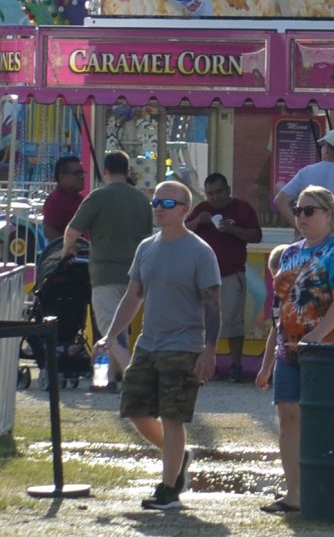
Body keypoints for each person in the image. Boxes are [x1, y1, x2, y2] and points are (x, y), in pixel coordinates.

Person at [97, 178, 220, 510]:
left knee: (172, 416)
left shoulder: (200, 251)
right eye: (155, 203)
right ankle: (178, 458)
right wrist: (110, 334)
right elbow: (132, 296)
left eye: (167, 204)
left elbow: (212, 303)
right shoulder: (146, 247)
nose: (159, 209)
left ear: (184, 209)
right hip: (147, 343)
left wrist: (209, 350)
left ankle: (168, 489)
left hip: (184, 345)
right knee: (135, 409)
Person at [254, 184, 334, 516]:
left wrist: (317, 335)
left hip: (330, 348)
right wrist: (267, 362)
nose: (302, 217)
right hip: (289, 349)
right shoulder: (289, 253)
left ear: (329, 214)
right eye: (298, 210)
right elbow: (282, 309)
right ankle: (295, 493)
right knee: (288, 418)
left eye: (309, 211)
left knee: (328, 420)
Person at [63, 150, 153, 349]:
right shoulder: (142, 200)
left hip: (105, 275)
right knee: (121, 327)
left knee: (110, 333)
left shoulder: (98, 197)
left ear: (105, 171)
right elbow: (148, 238)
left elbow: (72, 232)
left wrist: (68, 251)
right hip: (136, 275)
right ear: (128, 171)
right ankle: (109, 377)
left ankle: (128, 374)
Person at [186, 172, 261, 380]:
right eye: (210, 194)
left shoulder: (242, 209)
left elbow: (256, 236)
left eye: (219, 192)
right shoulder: (202, 210)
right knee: (201, 321)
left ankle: (235, 365)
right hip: (201, 276)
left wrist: (232, 229)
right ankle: (203, 363)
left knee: (233, 320)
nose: (215, 198)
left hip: (231, 273)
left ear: (227, 190)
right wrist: (198, 222)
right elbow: (181, 233)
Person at [274, 128, 334, 247]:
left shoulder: (306, 172)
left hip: (310, 242)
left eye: (323, 146)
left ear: (328, 149)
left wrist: (300, 226)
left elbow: (280, 200)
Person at [42, 154, 84, 241]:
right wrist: (69, 246)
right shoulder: (55, 200)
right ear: (62, 177)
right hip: (66, 253)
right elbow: (49, 231)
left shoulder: (81, 199)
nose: (82, 177)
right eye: (76, 173)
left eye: (82, 172)